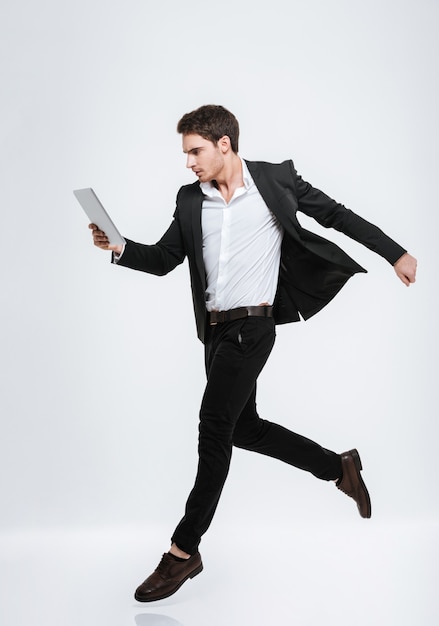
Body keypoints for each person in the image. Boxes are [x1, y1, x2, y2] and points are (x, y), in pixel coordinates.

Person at [89, 104, 417, 602]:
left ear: (224, 144)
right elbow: (163, 260)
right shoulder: (189, 200)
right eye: (185, 153)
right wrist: (117, 245)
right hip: (216, 334)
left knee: (213, 428)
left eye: (195, 151)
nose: (188, 162)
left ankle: (183, 551)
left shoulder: (275, 183)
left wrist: (395, 252)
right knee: (243, 428)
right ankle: (337, 467)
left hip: (254, 327)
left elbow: (337, 215)